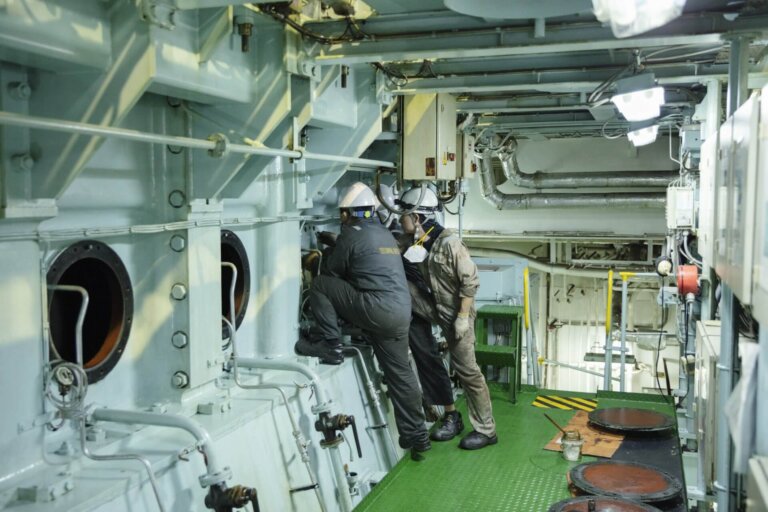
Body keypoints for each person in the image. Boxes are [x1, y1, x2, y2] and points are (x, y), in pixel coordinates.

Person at [295, 182, 431, 454]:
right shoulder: (383, 233)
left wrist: (334, 248)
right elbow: (368, 256)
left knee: (321, 284)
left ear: (347, 214)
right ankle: (417, 435)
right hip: (401, 312)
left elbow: (333, 272)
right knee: (401, 374)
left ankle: (329, 344)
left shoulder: (350, 234)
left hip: (376, 309)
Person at [397, 186, 498, 450]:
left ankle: (487, 431)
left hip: (456, 312)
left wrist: (463, 317)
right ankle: (453, 417)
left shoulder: (450, 244)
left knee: (467, 371)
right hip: (434, 307)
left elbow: (470, 284)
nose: (400, 219)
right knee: (402, 287)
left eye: (404, 215)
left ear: (417, 217)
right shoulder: (419, 240)